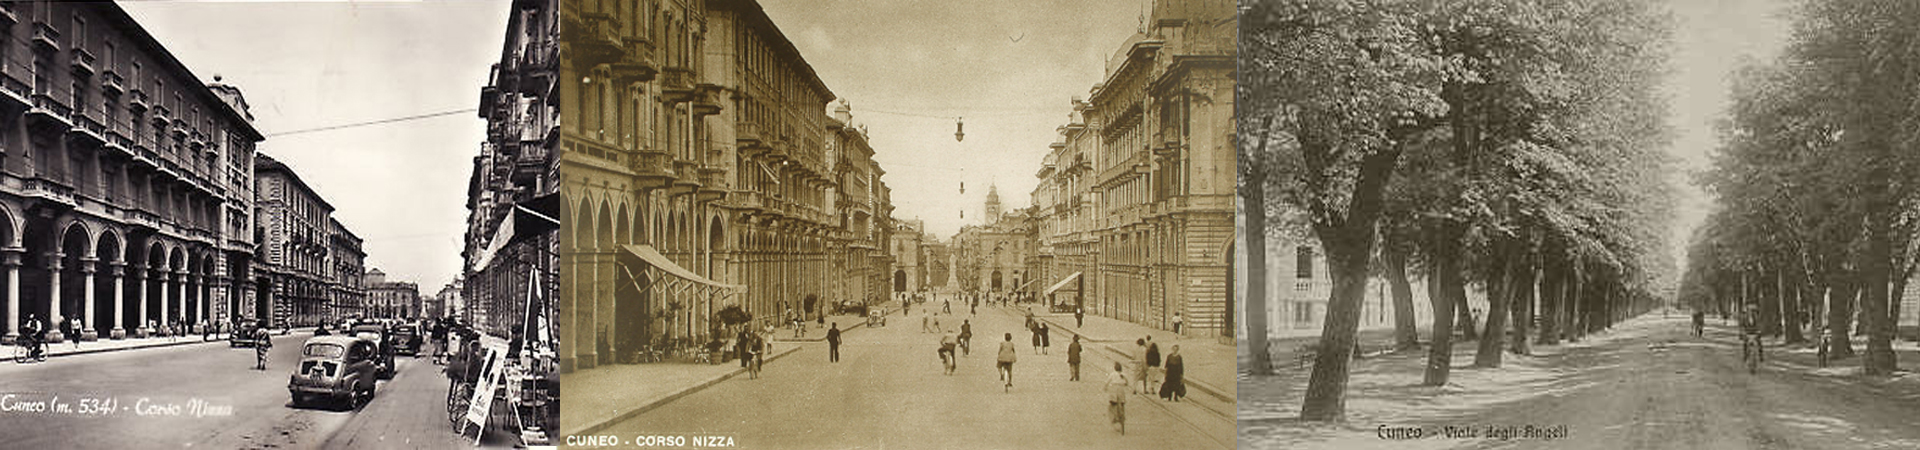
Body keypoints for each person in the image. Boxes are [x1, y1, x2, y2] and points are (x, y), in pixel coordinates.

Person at [1105, 361, 1129, 435]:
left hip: (1114, 391)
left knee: (1112, 405)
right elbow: (1127, 383)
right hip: (1121, 391)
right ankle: (1122, 418)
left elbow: (1107, 382)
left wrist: (1105, 388)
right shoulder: (1123, 375)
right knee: (1122, 404)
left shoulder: (1112, 374)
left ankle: (1114, 418)